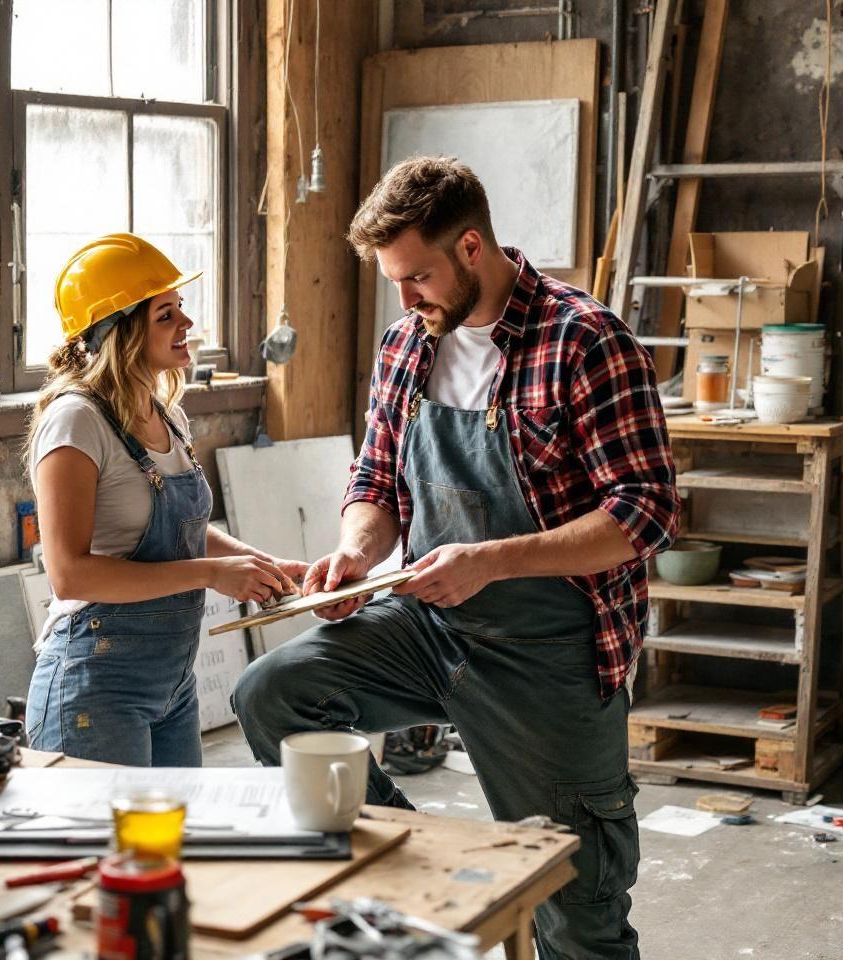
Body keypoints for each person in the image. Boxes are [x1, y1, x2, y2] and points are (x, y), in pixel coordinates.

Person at [232, 158, 680, 959]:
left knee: (577, 909)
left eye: (418, 277)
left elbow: (644, 513)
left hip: (549, 646)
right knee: (273, 696)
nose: (406, 300)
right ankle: (420, 872)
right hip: (430, 624)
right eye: (395, 283)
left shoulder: (584, 340)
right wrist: (356, 553)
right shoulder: (408, 344)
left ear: (472, 246)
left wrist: (492, 561)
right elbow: (375, 482)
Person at [26, 232, 307, 766]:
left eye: (180, 307)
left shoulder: (167, 415)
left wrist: (264, 567)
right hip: (96, 685)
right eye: (166, 314)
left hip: (173, 686)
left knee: (175, 823)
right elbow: (70, 575)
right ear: (123, 332)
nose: (187, 323)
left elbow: (185, 529)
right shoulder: (76, 421)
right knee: (113, 827)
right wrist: (211, 574)